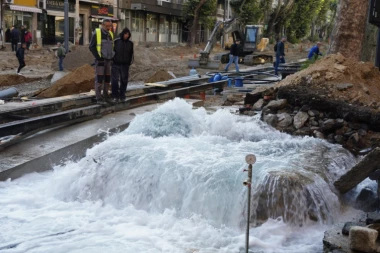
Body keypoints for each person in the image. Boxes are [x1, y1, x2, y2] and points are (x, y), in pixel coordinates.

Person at [89, 19, 115, 105]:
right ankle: (99, 98)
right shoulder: (97, 33)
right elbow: (91, 47)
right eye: (107, 26)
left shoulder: (110, 34)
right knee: (99, 79)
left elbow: (112, 47)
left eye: (109, 26)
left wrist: (112, 57)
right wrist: (98, 57)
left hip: (108, 60)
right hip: (101, 60)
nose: (108, 28)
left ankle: (106, 96)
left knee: (107, 79)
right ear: (103, 25)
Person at [111, 27, 134, 102]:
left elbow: (131, 54)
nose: (126, 35)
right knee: (115, 80)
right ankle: (115, 95)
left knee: (124, 80)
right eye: (125, 34)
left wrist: (129, 62)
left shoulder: (130, 43)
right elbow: (112, 52)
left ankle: (122, 95)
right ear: (122, 34)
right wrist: (112, 61)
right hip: (116, 64)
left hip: (125, 65)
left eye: (128, 34)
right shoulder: (116, 42)